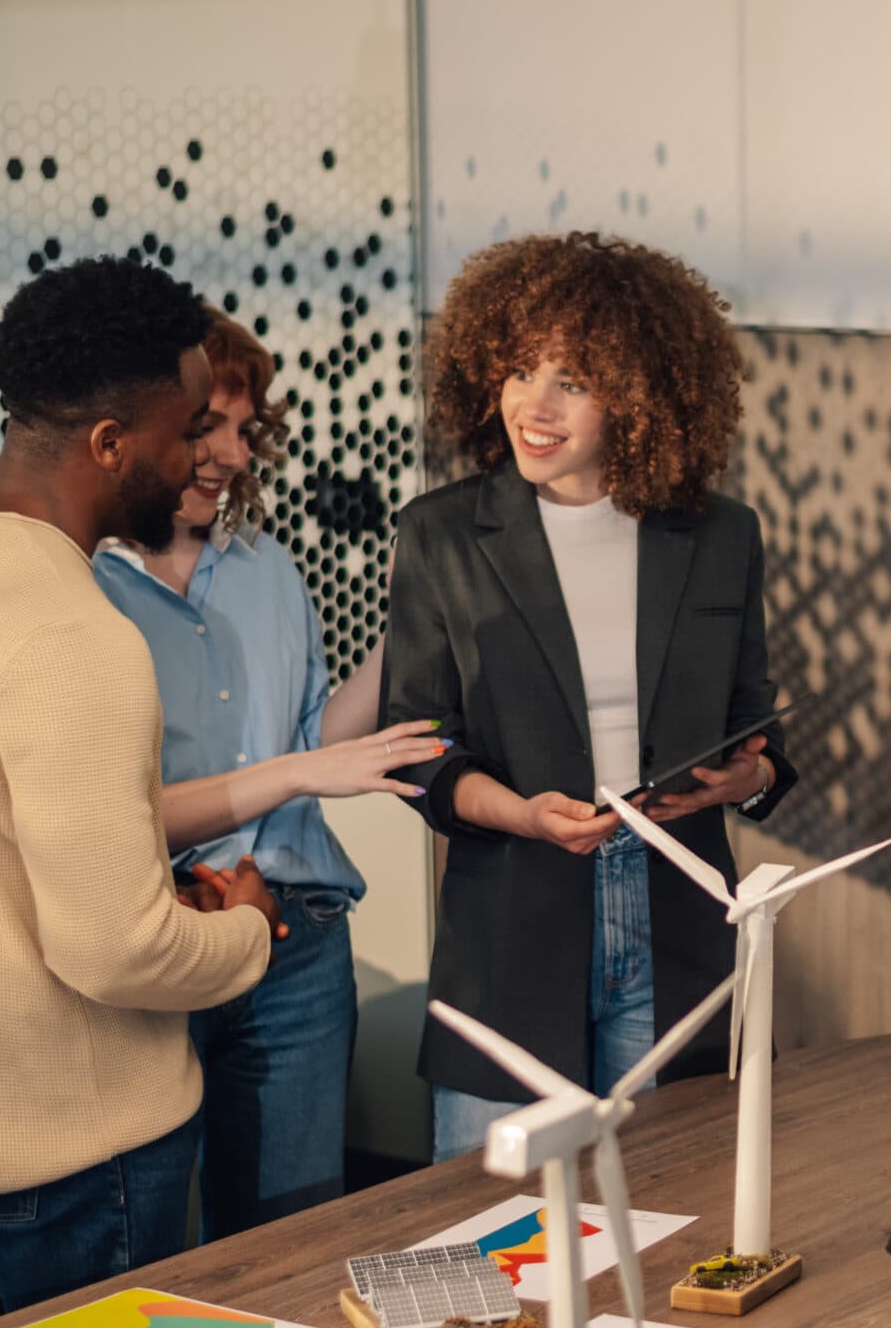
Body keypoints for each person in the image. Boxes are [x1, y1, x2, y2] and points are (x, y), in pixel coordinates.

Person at [0, 256, 279, 1328]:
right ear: (108, 443)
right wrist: (251, 931)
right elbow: (115, 953)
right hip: (85, 1158)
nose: (195, 462)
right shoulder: (76, 636)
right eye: (183, 431)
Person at [384, 230, 797, 1158]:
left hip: (680, 921)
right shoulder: (441, 536)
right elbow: (419, 753)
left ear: (639, 393)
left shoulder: (721, 535)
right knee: (494, 1250)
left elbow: (755, 727)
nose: (535, 406)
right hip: (513, 928)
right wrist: (526, 816)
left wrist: (744, 777)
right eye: (520, 371)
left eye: (572, 379)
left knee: (680, 1217)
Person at [95, 307, 442, 1239]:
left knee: (293, 1238)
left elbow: (309, 742)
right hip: (162, 938)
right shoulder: (80, 587)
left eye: (243, 430)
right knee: (152, 1246)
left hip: (298, 941)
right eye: (207, 427)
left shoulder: (269, 570)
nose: (231, 454)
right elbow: (101, 811)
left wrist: (407, 624)